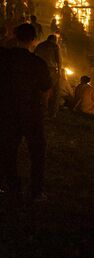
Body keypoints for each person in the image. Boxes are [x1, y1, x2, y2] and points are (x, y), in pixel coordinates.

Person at [0, 24, 52, 203]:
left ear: (15, 36)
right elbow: (46, 88)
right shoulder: (38, 63)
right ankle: (36, 192)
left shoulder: (4, 58)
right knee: (37, 152)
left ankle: (12, 188)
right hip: (31, 112)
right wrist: (44, 109)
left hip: (8, 111)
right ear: (34, 40)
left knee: (8, 151)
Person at [34, 35, 62, 117]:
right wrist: (59, 71)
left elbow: (34, 55)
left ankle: (39, 109)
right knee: (54, 90)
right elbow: (59, 60)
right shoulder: (55, 46)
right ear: (54, 40)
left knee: (40, 89)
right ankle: (52, 112)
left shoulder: (40, 45)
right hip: (50, 70)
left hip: (39, 69)